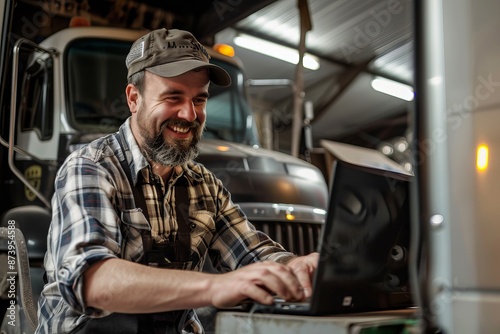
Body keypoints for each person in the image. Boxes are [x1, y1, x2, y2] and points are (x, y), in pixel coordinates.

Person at [35, 28, 318, 334]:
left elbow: (252, 255)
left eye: (199, 99)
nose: (189, 114)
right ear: (134, 98)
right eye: (173, 97)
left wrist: (295, 267)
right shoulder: (91, 167)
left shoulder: (205, 185)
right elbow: (92, 280)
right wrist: (216, 286)